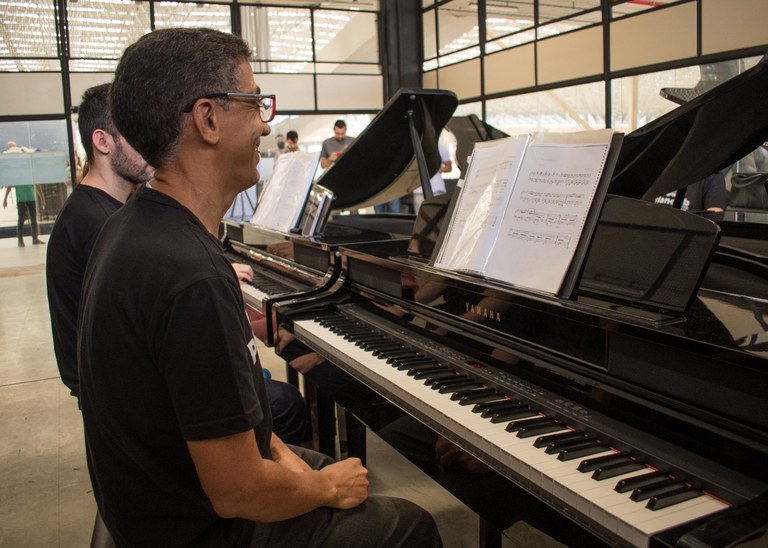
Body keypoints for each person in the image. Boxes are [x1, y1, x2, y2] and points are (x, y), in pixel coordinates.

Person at [78, 27, 441, 547]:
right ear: (207, 119)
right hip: (195, 527)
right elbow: (239, 491)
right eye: (254, 104)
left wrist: (303, 473)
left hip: (154, 499)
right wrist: (321, 488)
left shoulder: (134, 226)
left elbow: (243, 431)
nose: (263, 125)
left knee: (326, 464)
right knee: (410, 525)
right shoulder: (191, 276)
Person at [46, 83, 306, 447]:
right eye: (137, 135)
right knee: (288, 406)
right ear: (103, 143)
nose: (153, 147)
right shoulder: (97, 223)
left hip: (122, 380)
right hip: (127, 392)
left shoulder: (102, 212)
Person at [2, 141, 45, 246]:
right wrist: (5, 199)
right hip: (25, 197)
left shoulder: (23, 171)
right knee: (23, 219)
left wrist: (42, 197)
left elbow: (37, 185)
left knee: (29, 219)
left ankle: (30, 239)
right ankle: (22, 240)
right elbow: (10, 186)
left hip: (27, 197)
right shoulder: (21, 171)